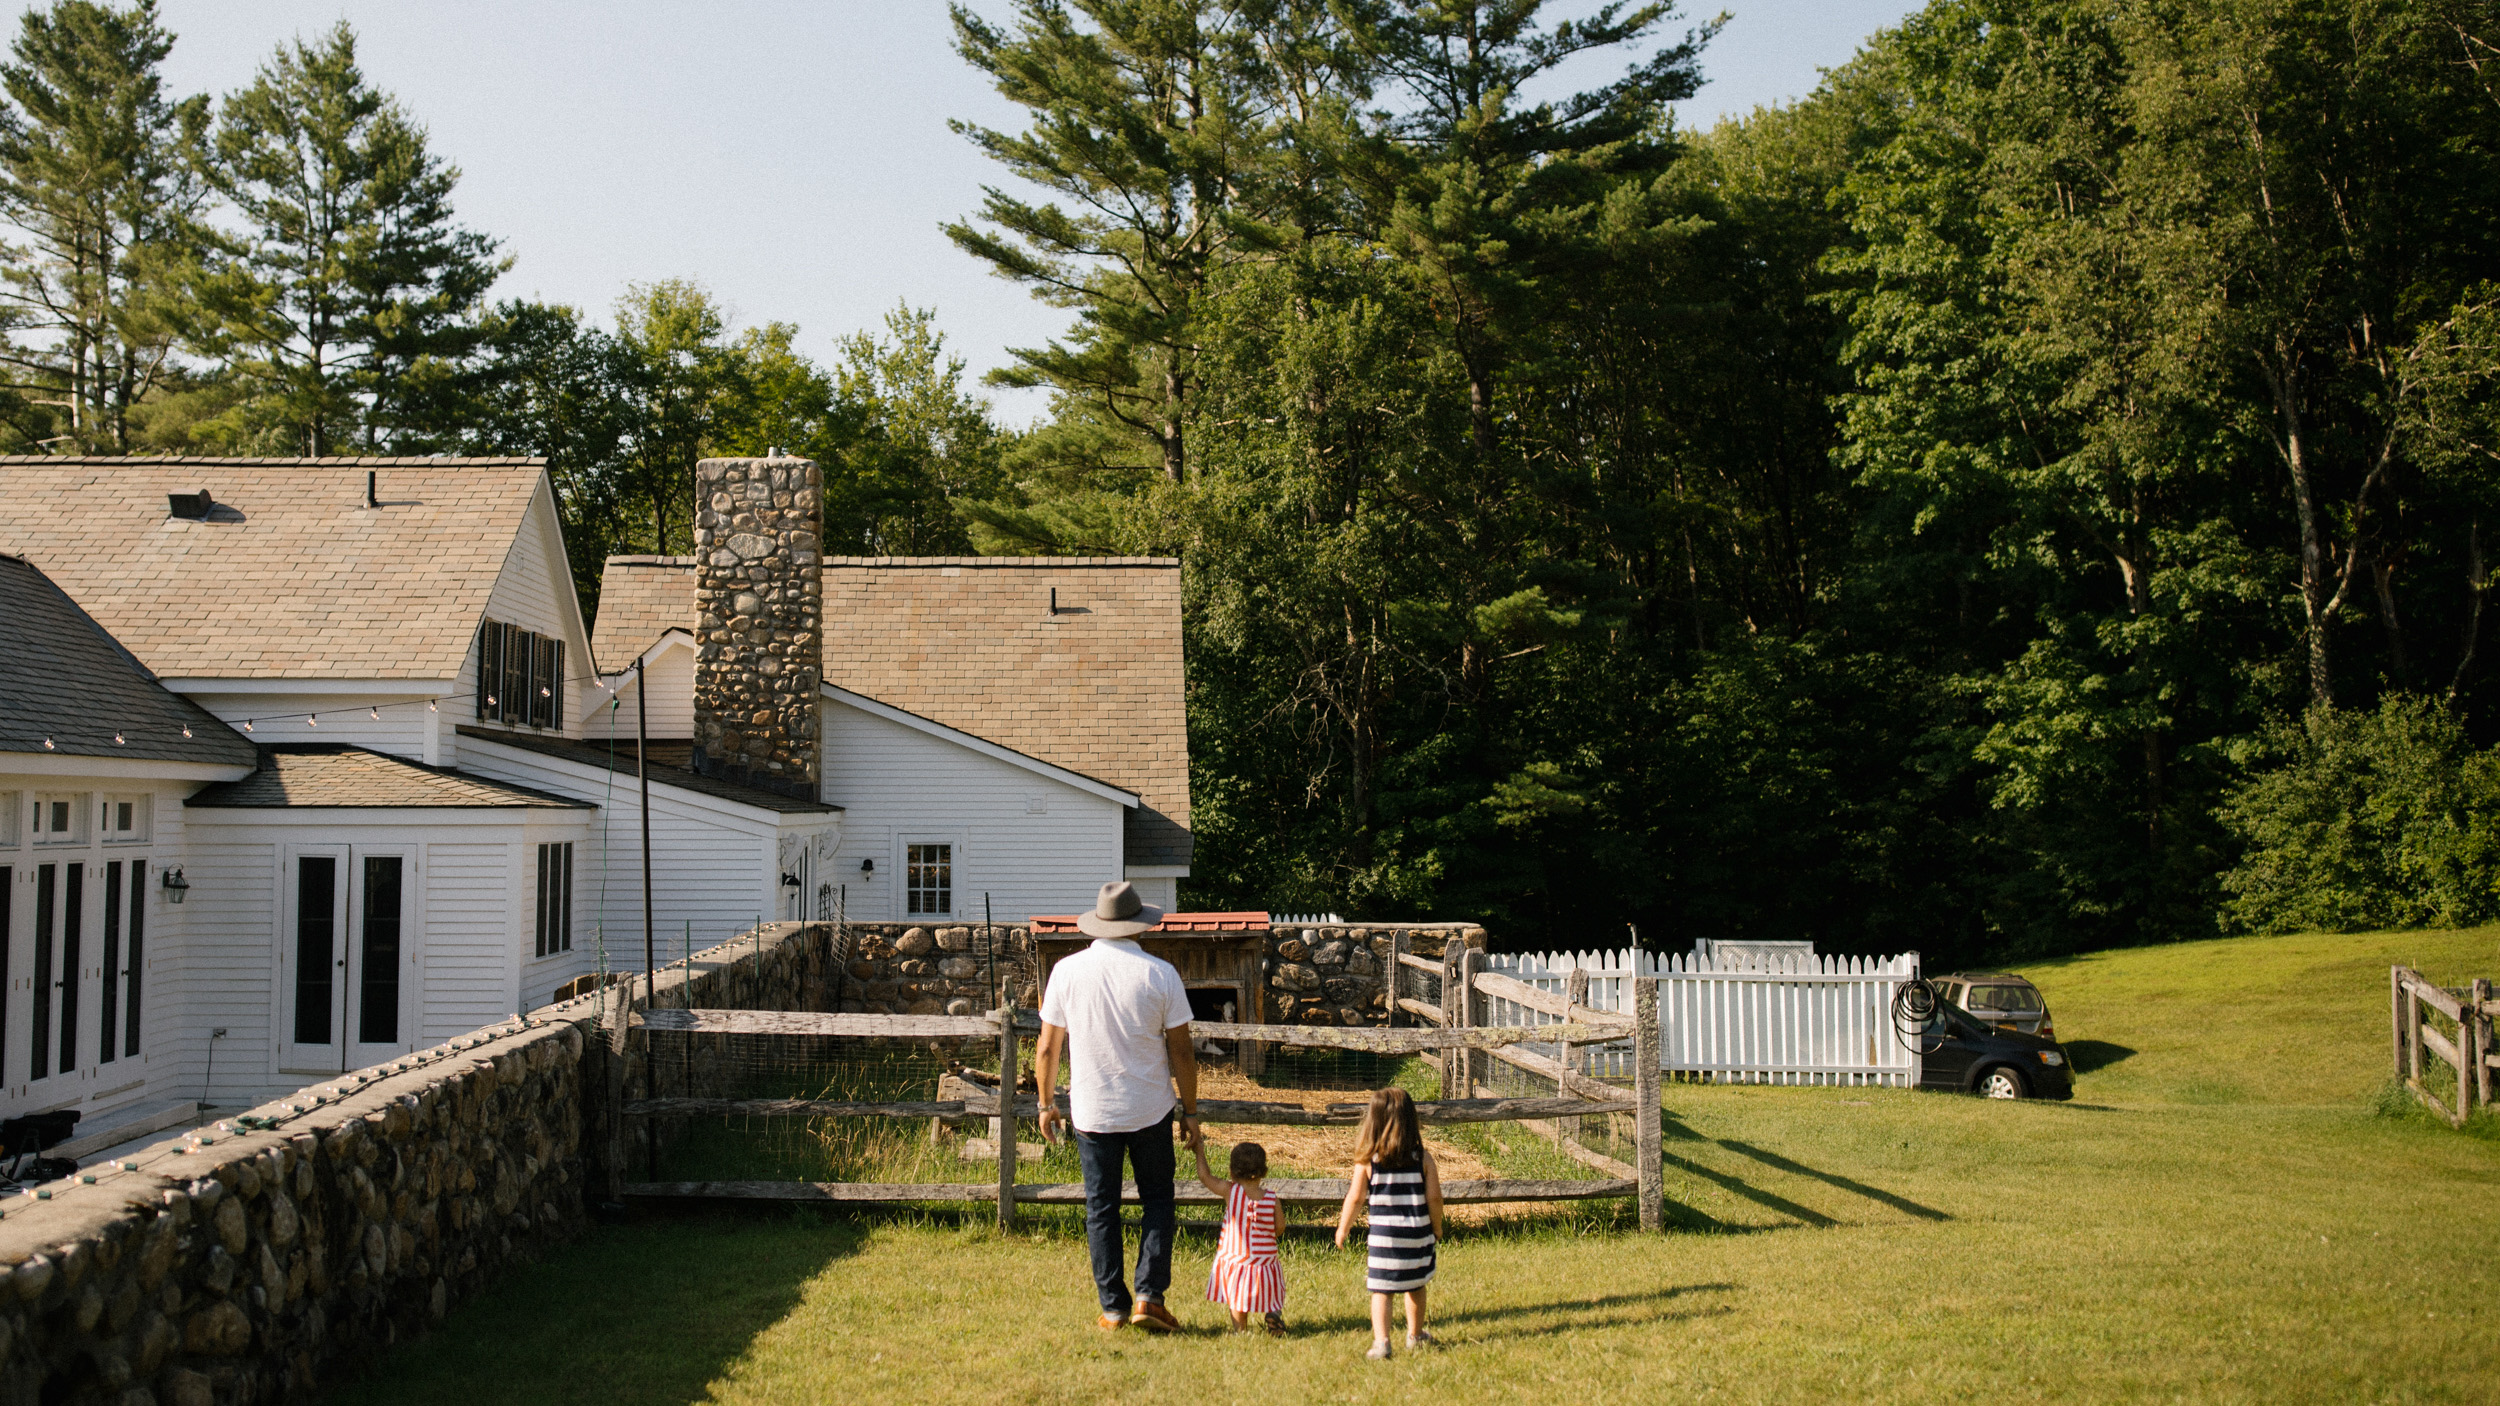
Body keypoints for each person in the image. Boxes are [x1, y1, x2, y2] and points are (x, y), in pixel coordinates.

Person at [1034, 880, 1201, 1331]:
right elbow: (1182, 1052)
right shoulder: (1159, 974)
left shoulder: (1067, 972)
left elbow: (1048, 1048)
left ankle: (1113, 1307)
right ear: (1138, 925)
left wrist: (1046, 1103)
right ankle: (1150, 1296)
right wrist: (1192, 1111)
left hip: (1092, 1110)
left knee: (1101, 1208)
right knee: (1158, 1202)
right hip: (1150, 1106)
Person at [1333, 1087, 1443, 1359]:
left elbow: (1355, 1198)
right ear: (1410, 1120)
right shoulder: (1423, 1159)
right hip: (1417, 1236)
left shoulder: (1369, 1162)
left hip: (1383, 1239)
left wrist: (1343, 1228)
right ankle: (1415, 1335)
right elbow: (1435, 1198)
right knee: (1416, 1286)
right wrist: (1437, 1227)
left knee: (1381, 1290)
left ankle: (1382, 1342)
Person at [1190, 1133, 1285, 1334]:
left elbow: (1205, 1177)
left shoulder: (1230, 1191)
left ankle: (1240, 1330)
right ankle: (1273, 1313)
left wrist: (1200, 1151)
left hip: (1238, 1259)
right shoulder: (1271, 1198)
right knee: (1270, 1289)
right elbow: (1280, 1227)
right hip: (1265, 1260)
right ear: (1264, 1172)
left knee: (1237, 1297)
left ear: (1232, 1173)